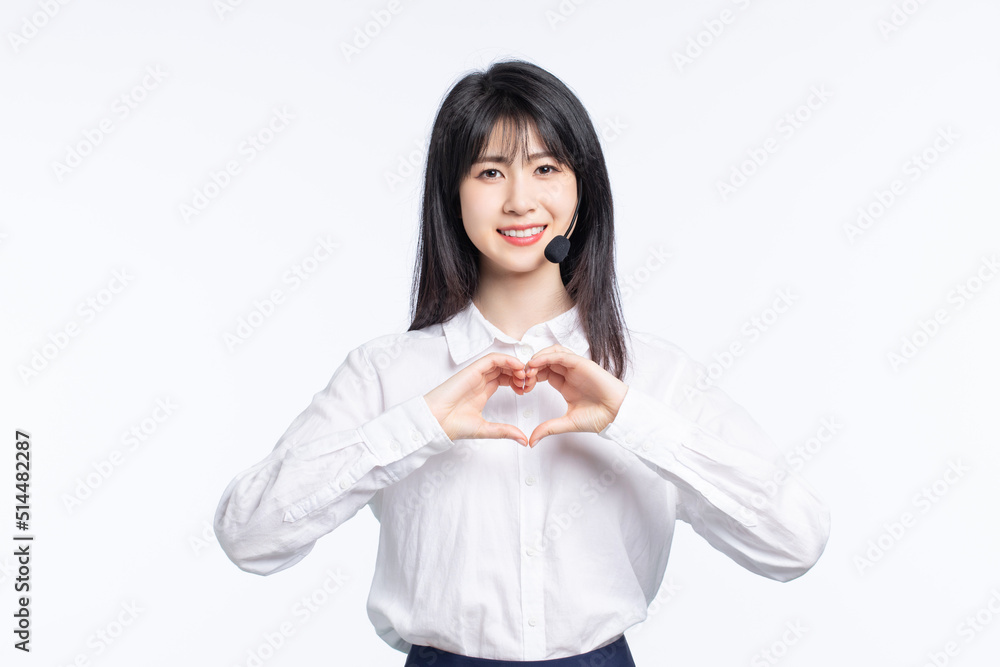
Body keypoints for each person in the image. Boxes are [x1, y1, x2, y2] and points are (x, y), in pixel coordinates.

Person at [213, 59, 831, 666]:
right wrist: (418, 425)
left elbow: (794, 543)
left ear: (581, 191)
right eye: (489, 172)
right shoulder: (385, 373)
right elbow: (248, 536)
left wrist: (630, 419)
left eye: (546, 168)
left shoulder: (652, 374)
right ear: (451, 196)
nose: (520, 199)